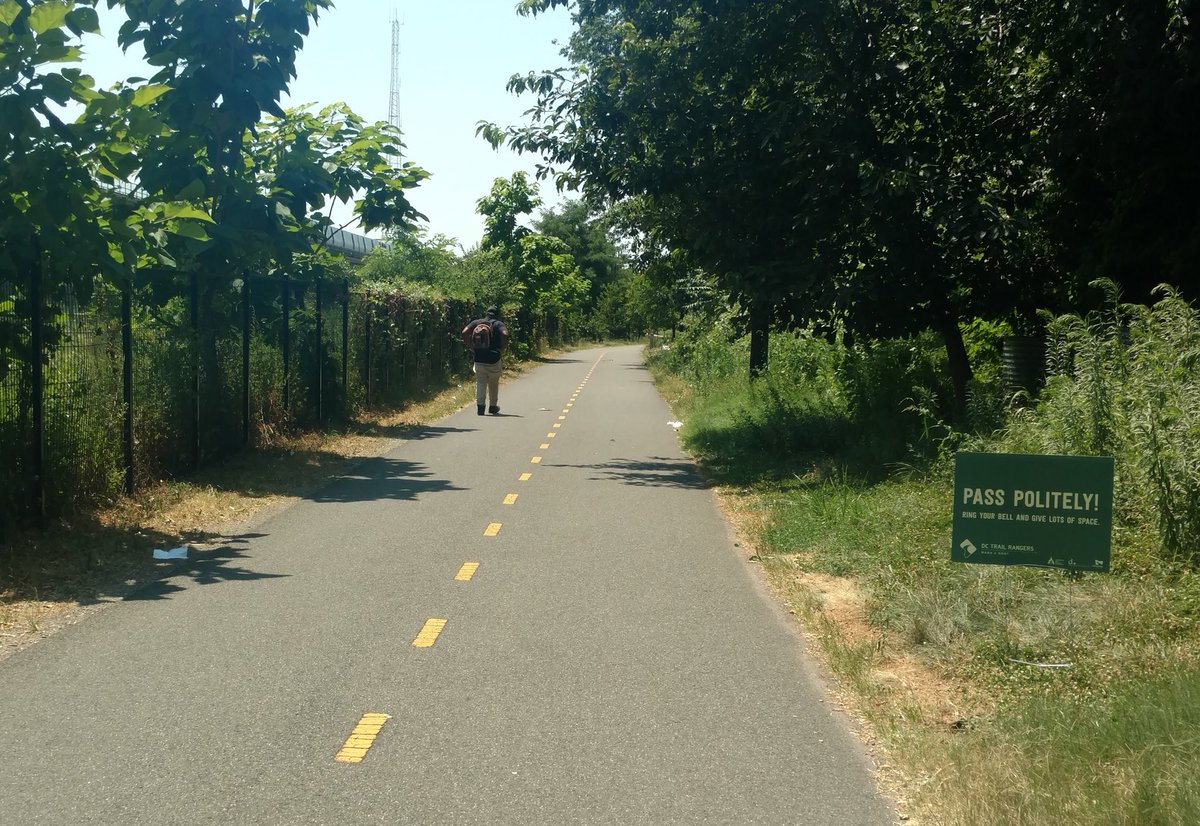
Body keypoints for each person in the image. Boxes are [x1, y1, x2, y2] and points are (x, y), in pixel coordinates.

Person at [461, 306, 510, 415]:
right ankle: (493, 406)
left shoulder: (477, 322)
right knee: (493, 382)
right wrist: (502, 349)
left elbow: (464, 332)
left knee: (481, 381)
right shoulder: (498, 324)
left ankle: (480, 407)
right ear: (497, 315)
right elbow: (505, 334)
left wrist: (471, 346)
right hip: (494, 358)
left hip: (479, 357)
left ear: (486, 313)